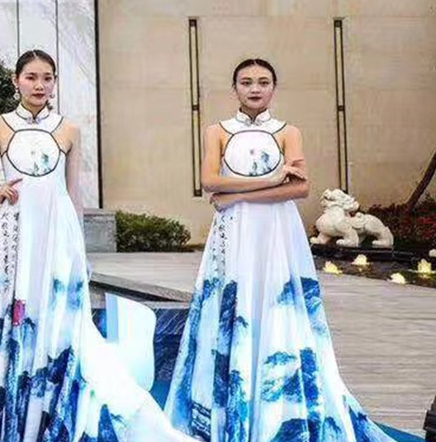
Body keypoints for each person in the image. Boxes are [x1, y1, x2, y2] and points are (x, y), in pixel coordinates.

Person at [0, 50, 192, 442]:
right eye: (31, 77)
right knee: (11, 315)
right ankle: (9, 413)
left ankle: (52, 410)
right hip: (14, 235)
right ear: (16, 80)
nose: (39, 85)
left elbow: (73, 194)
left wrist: (80, 250)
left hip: (58, 235)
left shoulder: (69, 129)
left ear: (55, 82)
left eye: (47, 78)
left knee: (60, 321)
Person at [165, 59, 389, 441]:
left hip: (277, 232)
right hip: (235, 233)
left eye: (263, 82)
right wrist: (270, 178)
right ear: (235, 88)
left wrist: (235, 196)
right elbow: (209, 182)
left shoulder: (289, 132)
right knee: (234, 305)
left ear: (273, 88)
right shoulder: (217, 131)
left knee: (276, 304)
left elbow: (299, 188)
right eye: (246, 82)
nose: (255, 89)